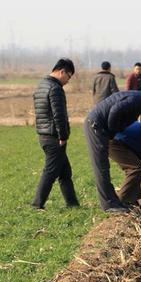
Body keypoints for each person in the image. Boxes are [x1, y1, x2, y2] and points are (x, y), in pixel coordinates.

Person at [84, 91, 141, 213]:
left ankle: (117, 202)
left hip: (99, 126)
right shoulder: (137, 100)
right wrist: (112, 132)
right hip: (96, 126)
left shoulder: (139, 101)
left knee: (104, 167)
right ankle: (109, 205)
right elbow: (115, 111)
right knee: (101, 167)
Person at [31, 58, 79, 209]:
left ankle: (72, 204)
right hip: (54, 137)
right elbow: (59, 115)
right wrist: (63, 136)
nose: (68, 81)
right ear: (62, 71)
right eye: (69, 76)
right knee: (51, 171)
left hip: (43, 134)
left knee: (65, 172)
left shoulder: (41, 85)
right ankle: (37, 204)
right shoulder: (55, 88)